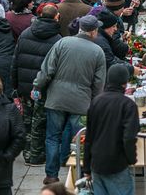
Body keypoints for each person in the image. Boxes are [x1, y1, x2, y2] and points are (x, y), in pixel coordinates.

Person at [33, 14, 106, 184]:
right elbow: (98, 84)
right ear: (94, 31)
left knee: (52, 137)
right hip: (81, 102)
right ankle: (80, 175)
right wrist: (94, 103)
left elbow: (47, 70)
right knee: (79, 140)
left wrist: (37, 86)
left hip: (57, 99)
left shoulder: (62, 43)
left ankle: (51, 175)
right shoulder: (97, 52)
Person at [12, 4, 61, 165]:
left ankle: (27, 153)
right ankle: (36, 154)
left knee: (27, 120)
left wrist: (15, 85)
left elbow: (15, 61)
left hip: (25, 86)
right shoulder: (57, 39)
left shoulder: (26, 33)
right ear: (56, 17)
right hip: (44, 87)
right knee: (40, 121)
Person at [83, 64, 139, 195]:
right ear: (125, 84)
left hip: (97, 163)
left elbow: (89, 137)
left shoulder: (96, 102)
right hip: (117, 164)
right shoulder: (128, 105)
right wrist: (131, 159)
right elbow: (129, 137)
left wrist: (87, 167)